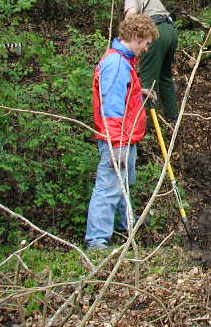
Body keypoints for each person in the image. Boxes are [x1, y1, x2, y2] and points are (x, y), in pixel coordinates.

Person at [85, 14, 159, 250]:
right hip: (117, 138)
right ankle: (97, 240)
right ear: (136, 38)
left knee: (122, 184)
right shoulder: (116, 64)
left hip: (125, 137)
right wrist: (117, 145)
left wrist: (140, 92)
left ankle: (126, 225)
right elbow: (112, 108)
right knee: (109, 186)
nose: (146, 49)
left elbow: (122, 94)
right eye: (146, 43)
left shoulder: (122, 61)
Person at [123, 0, 179, 120]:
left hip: (156, 34)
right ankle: (174, 118)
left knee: (147, 82)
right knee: (165, 77)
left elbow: (130, 17)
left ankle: (145, 122)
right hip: (171, 32)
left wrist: (123, 40)